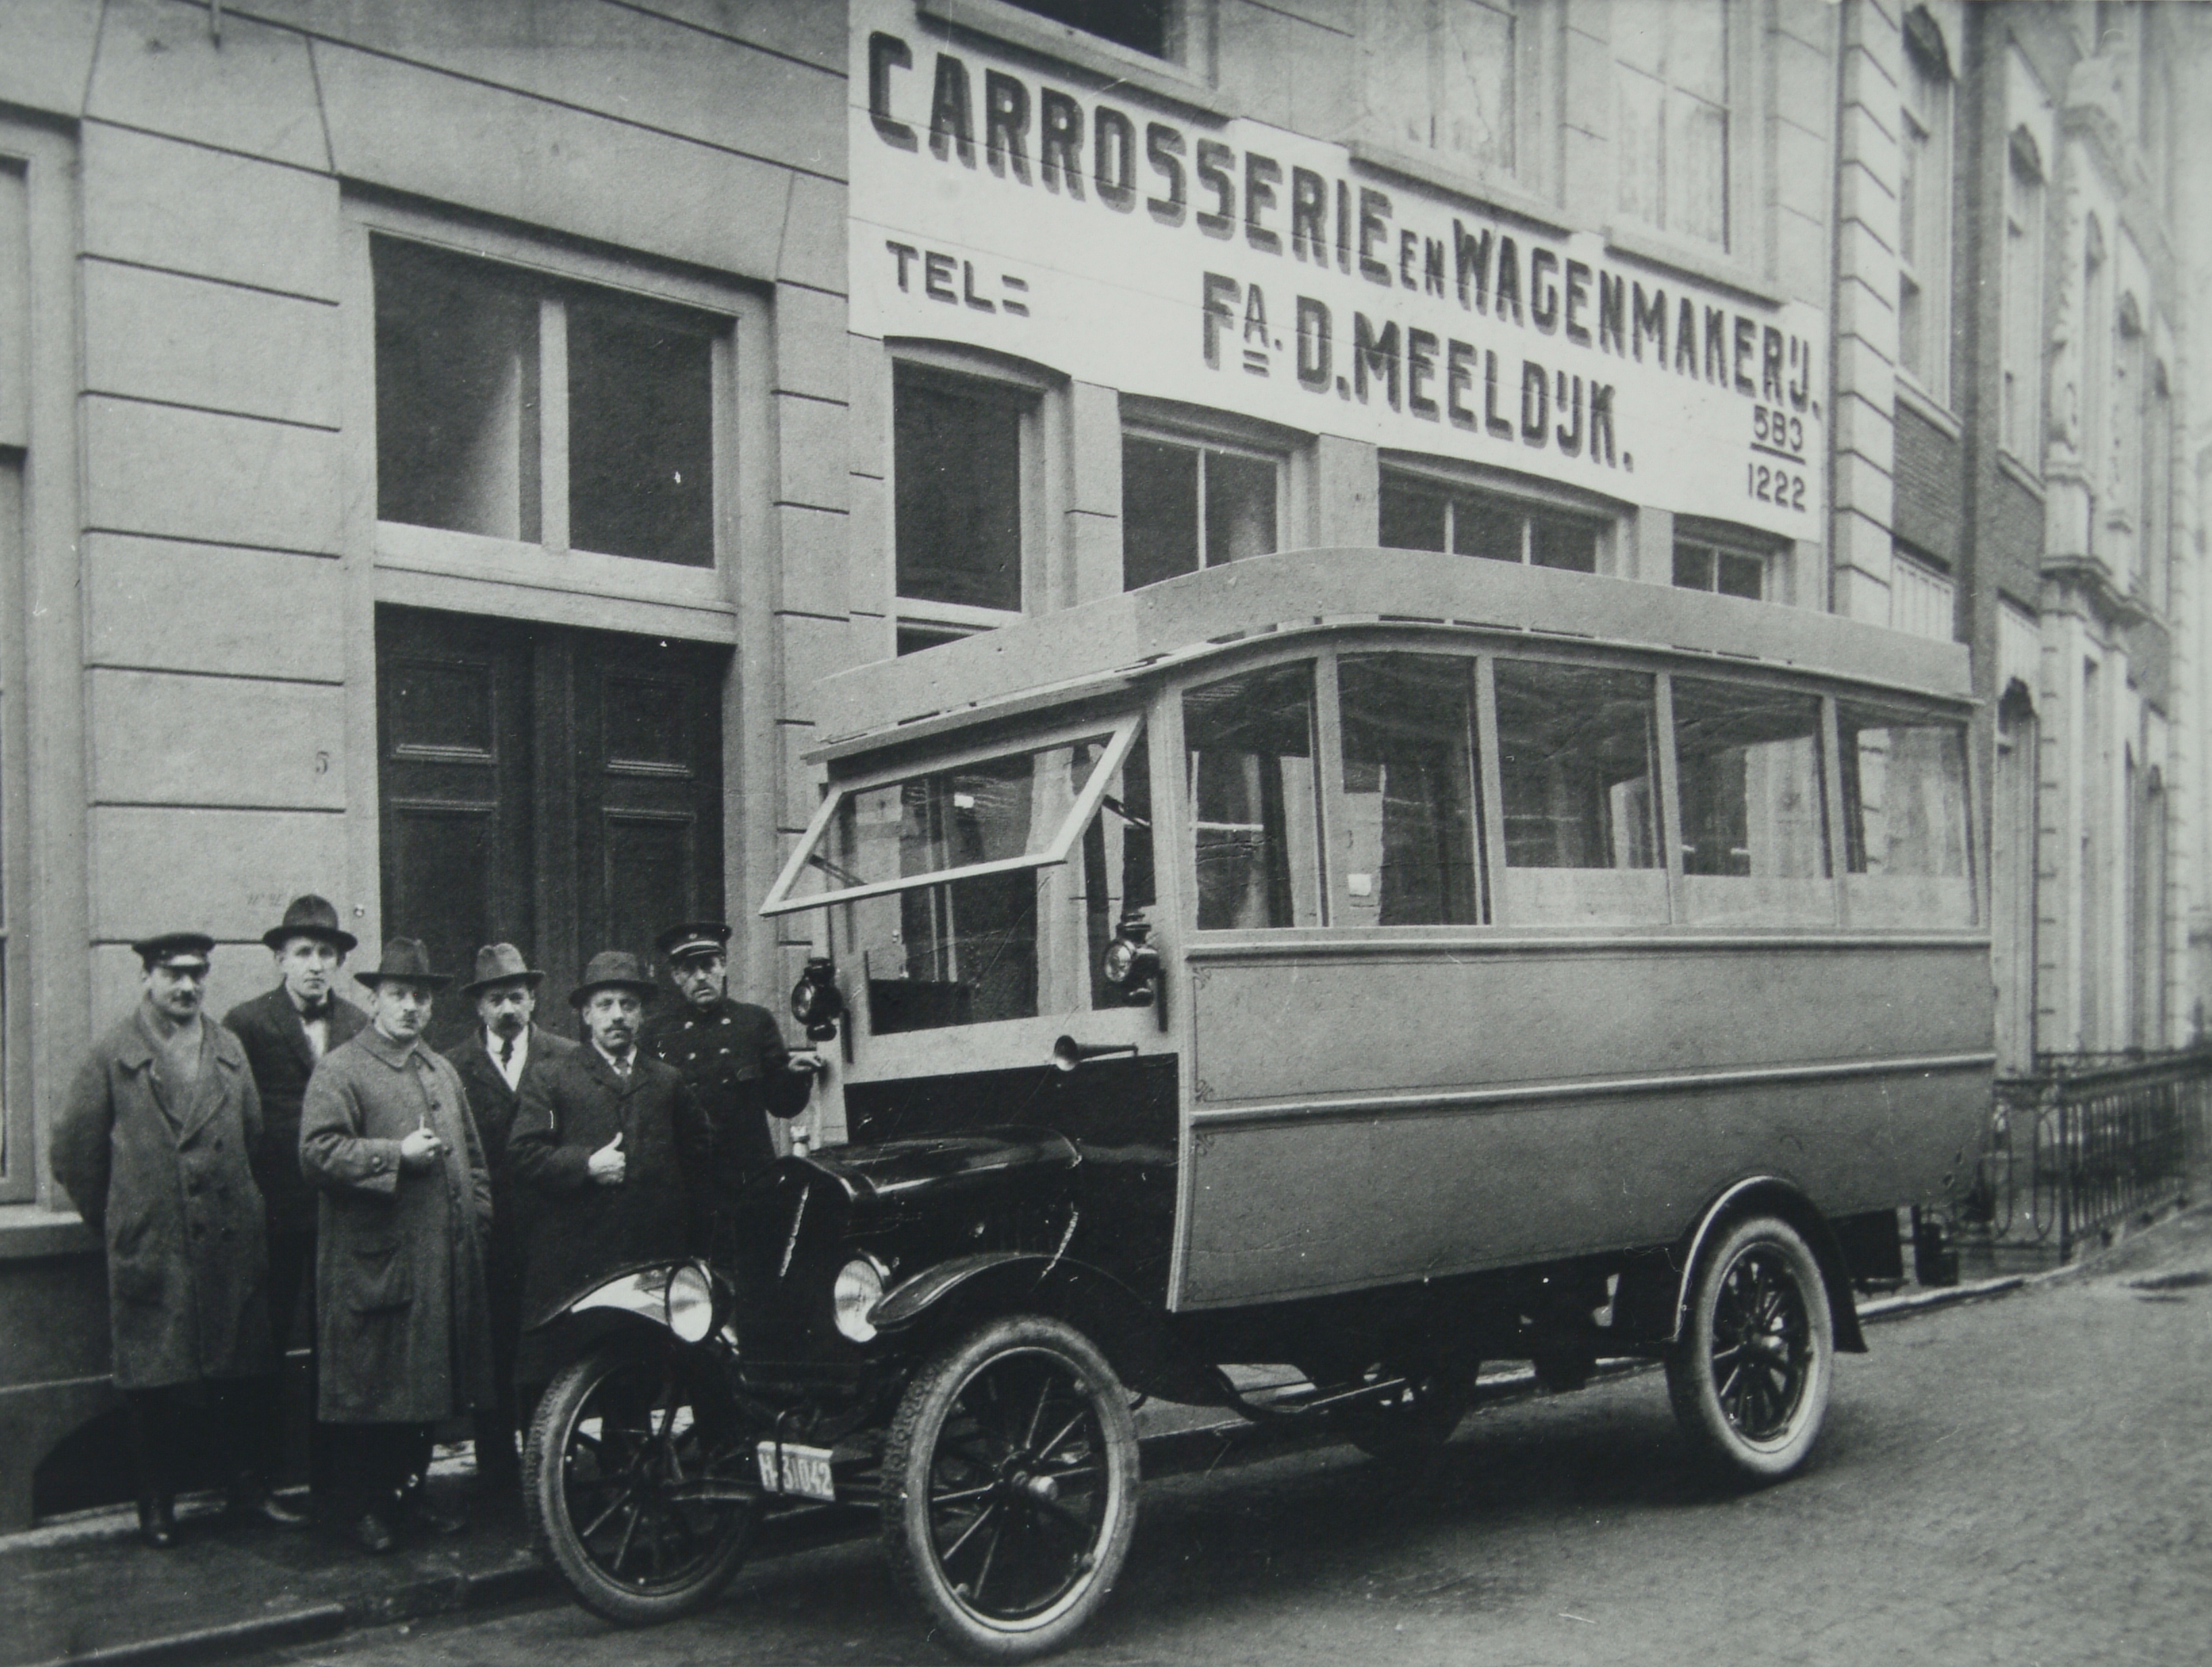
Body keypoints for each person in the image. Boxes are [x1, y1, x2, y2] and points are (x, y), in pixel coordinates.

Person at [51, 933, 302, 1547]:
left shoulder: (228, 1048)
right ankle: (156, 1503)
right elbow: (74, 1154)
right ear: (147, 977)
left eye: (197, 974)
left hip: (228, 1244)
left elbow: (251, 1133)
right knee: (154, 1382)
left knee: (239, 1372)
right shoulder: (115, 1052)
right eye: (173, 974)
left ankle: (246, 1488)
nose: (188, 986)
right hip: (155, 1246)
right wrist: (126, 1217)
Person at [299, 939, 495, 1554]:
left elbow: (475, 1161)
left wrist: (477, 1219)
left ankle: (409, 1496)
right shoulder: (342, 1068)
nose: (411, 1006)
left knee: (425, 1391)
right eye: (398, 994)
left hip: (440, 1265)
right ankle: (364, 1508)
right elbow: (317, 1152)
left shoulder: (440, 1069)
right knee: (372, 1391)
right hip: (375, 1267)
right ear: (375, 999)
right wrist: (394, 1155)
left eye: (421, 996)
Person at [509, 951, 711, 1411]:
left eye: (628, 1004)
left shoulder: (668, 1082)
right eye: (605, 1005)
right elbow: (523, 1155)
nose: (617, 1015)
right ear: (586, 1014)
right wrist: (585, 1164)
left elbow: (699, 1160)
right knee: (568, 1392)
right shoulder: (551, 1078)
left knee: (639, 1388)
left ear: (641, 1014)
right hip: (579, 1269)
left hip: (649, 1264)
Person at [223, 895, 369, 1508]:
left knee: (340, 1344)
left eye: (325, 953)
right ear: (280, 958)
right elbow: (233, 1122)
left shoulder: (359, 1024)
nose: (315, 964)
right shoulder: (247, 1023)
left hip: (342, 1213)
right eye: (303, 952)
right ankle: (250, 1481)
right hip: (273, 1214)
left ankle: (331, 1480)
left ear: (339, 962)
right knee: (265, 1342)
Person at [442, 943, 577, 1495]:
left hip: (548, 1230)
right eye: (496, 999)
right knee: (492, 1349)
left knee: (546, 1347)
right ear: (479, 1006)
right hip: (488, 1232)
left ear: (534, 999)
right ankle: (496, 1471)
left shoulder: (565, 1056)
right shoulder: (452, 1066)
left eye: (516, 997)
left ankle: (549, 1468)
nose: (507, 1009)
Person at [637, 922, 820, 1254]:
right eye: (689, 970)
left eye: (708, 965)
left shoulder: (754, 1022)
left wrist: (794, 1076)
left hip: (749, 1181)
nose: (700, 977)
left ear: (723, 966)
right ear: (676, 976)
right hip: (689, 1187)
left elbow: (782, 1105)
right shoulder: (655, 1034)